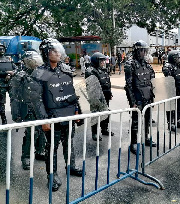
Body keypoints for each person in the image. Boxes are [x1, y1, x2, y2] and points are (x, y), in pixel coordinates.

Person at [32, 38, 83, 192]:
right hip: (52, 117)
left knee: (69, 143)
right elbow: (37, 100)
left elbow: (71, 92)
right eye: (54, 51)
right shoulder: (39, 73)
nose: (58, 53)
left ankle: (71, 166)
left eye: (58, 50)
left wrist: (77, 111)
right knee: (52, 147)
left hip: (68, 114)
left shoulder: (66, 70)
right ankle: (52, 175)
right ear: (47, 53)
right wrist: (43, 120)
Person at [9, 50, 46, 170]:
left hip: (40, 107)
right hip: (28, 108)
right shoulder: (19, 76)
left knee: (42, 131)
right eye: (32, 60)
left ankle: (40, 151)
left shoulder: (41, 73)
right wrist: (16, 114)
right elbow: (14, 97)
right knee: (31, 134)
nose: (36, 63)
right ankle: (25, 157)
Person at [124, 40, 156, 155]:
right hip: (137, 98)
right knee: (136, 122)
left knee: (147, 119)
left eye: (145, 50)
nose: (144, 53)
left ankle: (146, 138)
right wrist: (132, 102)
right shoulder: (130, 64)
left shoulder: (146, 63)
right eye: (143, 50)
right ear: (137, 51)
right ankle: (133, 143)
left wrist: (153, 95)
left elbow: (151, 80)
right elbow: (128, 85)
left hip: (147, 97)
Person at [85, 52, 114, 140]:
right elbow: (92, 87)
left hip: (105, 96)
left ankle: (104, 129)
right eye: (101, 61)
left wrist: (109, 93)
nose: (103, 62)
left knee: (106, 113)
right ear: (96, 61)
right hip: (96, 97)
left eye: (103, 61)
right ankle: (95, 133)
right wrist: (97, 99)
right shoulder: (90, 71)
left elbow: (107, 82)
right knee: (95, 115)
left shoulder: (102, 70)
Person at [162, 50, 180, 131]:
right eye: (177, 57)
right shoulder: (168, 66)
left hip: (179, 90)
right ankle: (171, 123)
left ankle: (178, 121)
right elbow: (169, 79)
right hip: (172, 90)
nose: (179, 59)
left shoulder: (179, 66)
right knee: (171, 107)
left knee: (178, 106)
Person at [0, 44, 15, 124]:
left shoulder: (8, 59)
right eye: (0, 49)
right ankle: (4, 120)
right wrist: (6, 73)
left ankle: (16, 117)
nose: (1, 51)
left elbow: (16, 69)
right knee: (1, 103)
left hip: (10, 84)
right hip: (1, 85)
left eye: (3, 49)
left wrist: (9, 74)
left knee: (14, 101)